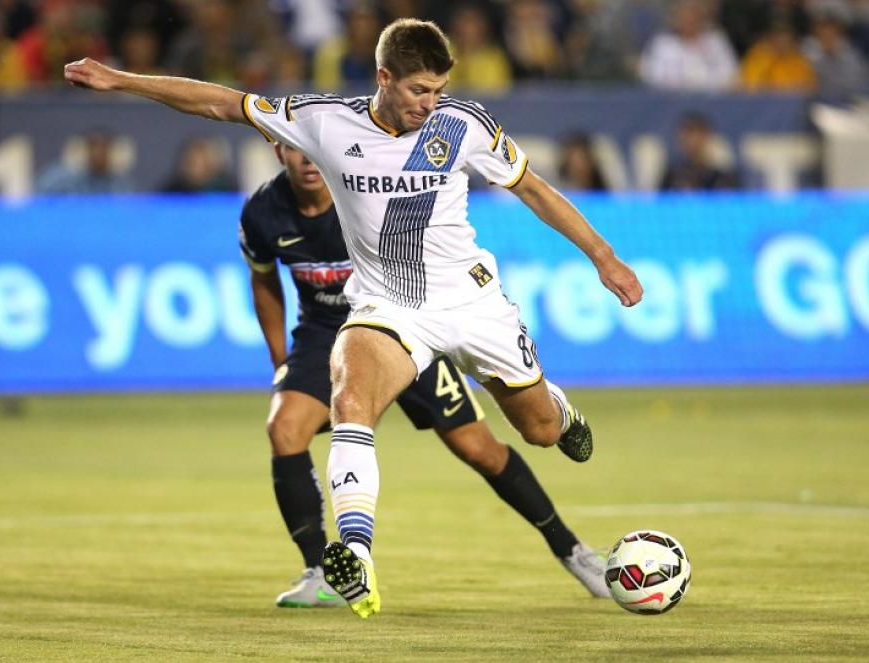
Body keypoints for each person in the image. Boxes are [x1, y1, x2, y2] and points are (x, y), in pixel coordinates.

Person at [64, 17, 643, 620]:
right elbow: (219, 103)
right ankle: (355, 556)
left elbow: (536, 190)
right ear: (383, 77)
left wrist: (603, 257)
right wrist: (121, 80)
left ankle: (557, 405)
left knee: (540, 432)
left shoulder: (462, 125)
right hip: (388, 309)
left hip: (473, 306)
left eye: (440, 89)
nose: (431, 102)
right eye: (420, 89)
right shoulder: (323, 121)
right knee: (351, 400)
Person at [242, 141, 610, 607]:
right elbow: (263, 279)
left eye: (313, 151)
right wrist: (281, 361)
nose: (309, 160)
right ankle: (323, 571)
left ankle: (573, 551)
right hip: (324, 336)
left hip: (401, 323)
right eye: (295, 152)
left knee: (480, 449)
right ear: (278, 151)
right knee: (284, 428)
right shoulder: (262, 213)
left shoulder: (363, 191)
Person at [660, 113, 740, 192]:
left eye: (698, 134)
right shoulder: (672, 177)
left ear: (708, 137)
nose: (693, 141)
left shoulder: (723, 178)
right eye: (688, 135)